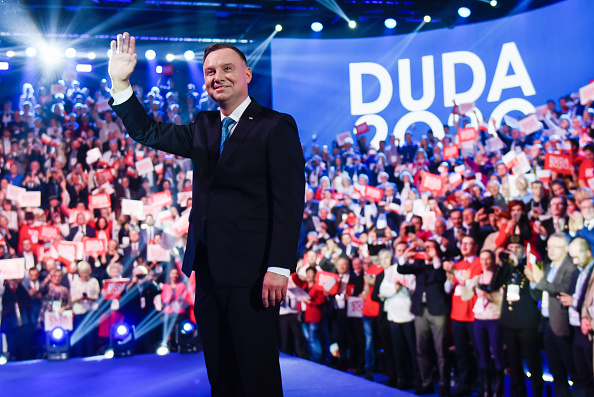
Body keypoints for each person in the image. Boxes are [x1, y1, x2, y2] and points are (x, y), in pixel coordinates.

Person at [108, 33, 304, 396]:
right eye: (210, 71)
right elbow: (148, 131)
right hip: (209, 270)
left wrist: (279, 266)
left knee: (256, 372)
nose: (218, 76)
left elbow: (289, 201)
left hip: (254, 274)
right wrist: (121, 83)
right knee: (221, 372)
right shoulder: (204, 125)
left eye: (227, 68)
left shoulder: (275, 126)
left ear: (246, 73)